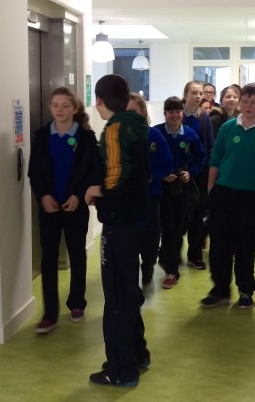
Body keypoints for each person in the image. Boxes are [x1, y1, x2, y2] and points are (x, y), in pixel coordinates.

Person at [85, 75, 150, 386]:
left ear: (99, 101)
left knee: (116, 298)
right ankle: (136, 353)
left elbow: (116, 177)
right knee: (127, 290)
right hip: (135, 219)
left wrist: (96, 191)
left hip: (119, 222)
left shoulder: (115, 129)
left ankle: (120, 369)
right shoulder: (137, 124)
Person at [27, 87, 101, 334]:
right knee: (48, 259)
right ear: (50, 107)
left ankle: (77, 303)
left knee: (77, 255)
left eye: (65, 105)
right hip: (49, 208)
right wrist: (43, 196)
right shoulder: (41, 137)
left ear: (75, 108)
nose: (60, 110)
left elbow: (93, 171)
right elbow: (34, 173)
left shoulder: (86, 138)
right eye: (55, 105)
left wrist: (78, 195)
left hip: (75, 207)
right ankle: (49, 313)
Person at [201, 83, 255, 309]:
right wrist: (211, 191)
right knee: (219, 245)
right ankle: (220, 289)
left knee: (246, 246)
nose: (248, 106)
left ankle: (245, 289)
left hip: (251, 197)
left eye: (254, 102)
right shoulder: (227, 127)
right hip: (223, 194)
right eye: (245, 101)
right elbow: (215, 159)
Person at [156, 97, 206, 289]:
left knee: (181, 225)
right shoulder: (158, 133)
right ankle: (172, 271)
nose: (175, 115)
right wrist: (162, 174)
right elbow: (149, 159)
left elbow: (201, 156)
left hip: (184, 186)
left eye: (178, 111)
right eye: (170, 112)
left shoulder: (190, 134)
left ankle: (166, 256)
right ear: (165, 114)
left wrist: (190, 172)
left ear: (182, 113)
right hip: (163, 187)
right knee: (169, 228)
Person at [127, 94, 173, 293]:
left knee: (151, 239)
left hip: (151, 196)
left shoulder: (154, 135)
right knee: (129, 241)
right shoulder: (117, 137)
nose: (129, 115)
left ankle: (147, 270)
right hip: (127, 200)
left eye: (133, 111)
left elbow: (167, 164)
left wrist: (151, 176)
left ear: (143, 112)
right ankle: (131, 285)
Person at [182, 81, 215, 270]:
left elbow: (209, 146)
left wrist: (208, 174)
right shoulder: (177, 114)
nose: (198, 96)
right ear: (185, 94)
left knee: (196, 216)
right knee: (177, 217)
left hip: (199, 174)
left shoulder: (204, 118)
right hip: (178, 175)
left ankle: (194, 256)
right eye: (194, 92)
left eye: (200, 93)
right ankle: (169, 258)